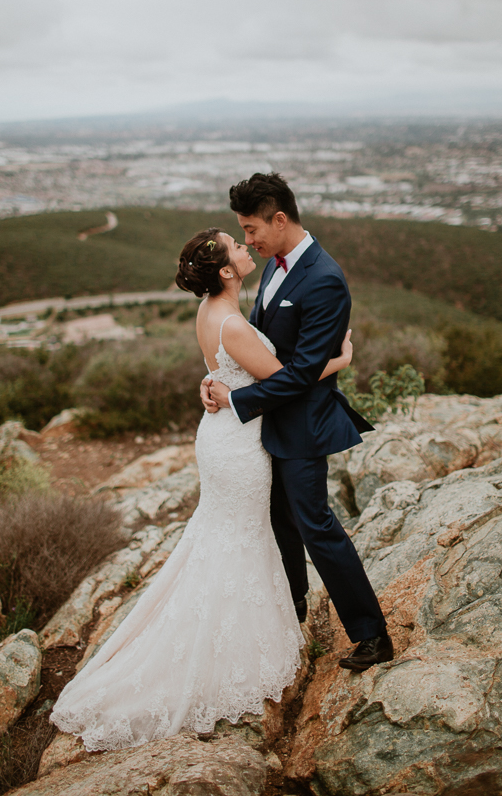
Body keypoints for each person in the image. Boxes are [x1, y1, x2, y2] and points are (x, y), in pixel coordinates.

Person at [50, 226, 353, 751]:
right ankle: (222, 652)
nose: (244, 245)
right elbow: (287, 379)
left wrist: (216, 385)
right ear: (228, 271)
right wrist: (341, 361)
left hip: (223, 434)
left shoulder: (209, 310)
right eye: (236, 246)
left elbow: (226, 372)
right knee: (236, 537)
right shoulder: (233, 322)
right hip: (238, 445)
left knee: (224, 535)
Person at [202, 172, 393, 672]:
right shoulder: (275, 268)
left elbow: (304, 373)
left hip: (303, 426)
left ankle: (373, 634)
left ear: (279, 219)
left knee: (316, 526)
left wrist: (239, 402)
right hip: (268, 426)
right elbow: (261, 348)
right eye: (242, 232)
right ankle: (294, 605)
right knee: (280, 521)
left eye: (250, 229)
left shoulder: (324, 278)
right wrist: (221, 383)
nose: (248, 241)